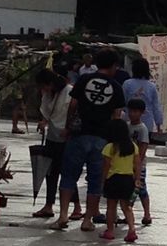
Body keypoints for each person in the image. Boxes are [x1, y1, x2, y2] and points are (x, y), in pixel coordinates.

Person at [53, 48, 125, 232]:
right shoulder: (116, 87)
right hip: (102, 138)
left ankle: (63, 215)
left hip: (78, 134)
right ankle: (87, 220)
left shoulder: (84, 80)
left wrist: (68, 126)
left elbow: (73, 105)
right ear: (114, 65)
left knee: (69, 175)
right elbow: (116, 116)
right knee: (95, 180)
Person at [33, 69, 83, 221]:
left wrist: (68, 129)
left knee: (66, 173)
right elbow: (46, 113)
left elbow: (74, 113)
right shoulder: (48, 94)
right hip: (52, 136)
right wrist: (44, 122)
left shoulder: (69, 92)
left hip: (66, 138)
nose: (43, 89)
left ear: (50, 83)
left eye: (44, 86)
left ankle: (77, 206)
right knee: (50, 172)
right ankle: (49, 205)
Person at [100, 118, 141, 243]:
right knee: (127, 207)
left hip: (113, 179)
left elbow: (106, 166)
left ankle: (110, 231)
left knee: (111, 207)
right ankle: (132, 230)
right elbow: (137, 164)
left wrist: (103, 181)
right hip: (128, 179)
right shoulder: (133, 146)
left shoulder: (110, 147)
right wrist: (137, 179)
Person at [126, 98, 152, 226]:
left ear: (142, 113)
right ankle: (127, 212)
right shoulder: (126, 126)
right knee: (127, 189)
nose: (132, 114)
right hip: (126, 163)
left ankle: (147, 213)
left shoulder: (142, 129)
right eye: (130, 111)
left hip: (138, 164)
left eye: (135, 111)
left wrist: (138, 165)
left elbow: (143, 147)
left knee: (140, 188)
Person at [123, 58, 164, 136]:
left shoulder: (127, 84)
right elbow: (156, 107)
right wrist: (159, 125)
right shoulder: (152, 86)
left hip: (129, 120)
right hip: (147, 122)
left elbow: (122, 102)